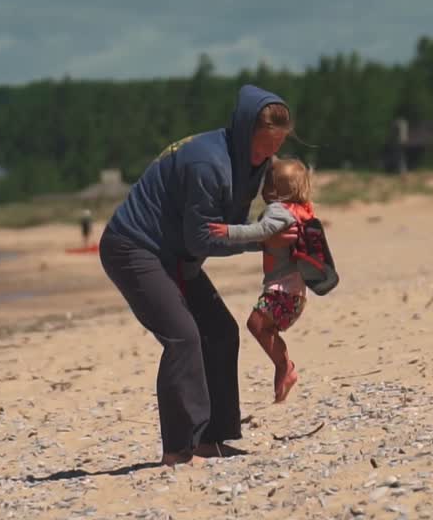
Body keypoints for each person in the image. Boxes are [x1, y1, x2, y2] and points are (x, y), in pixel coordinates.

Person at [99, 85, 296, 466]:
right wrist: (263, 241)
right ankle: (178, 450)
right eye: (261, 148)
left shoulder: (249, 162)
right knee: (183, 337)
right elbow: (204, 237)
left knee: (220, 331)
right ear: (242, 132)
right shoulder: (207, 163)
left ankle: (211, 439)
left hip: (176, 254)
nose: (267, 156)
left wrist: (281, 234)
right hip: (133, 247)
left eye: (275, 148)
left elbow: (232, 227)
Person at [207, 157, 316, 403]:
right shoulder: (300, 210)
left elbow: (260, 231)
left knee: (257, 325)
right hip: (294, 292)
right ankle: (284, 367)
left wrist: (229, 232)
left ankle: (284, 367)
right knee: (262, 327)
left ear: (271, 189)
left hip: (283, 290)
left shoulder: (278, 211)